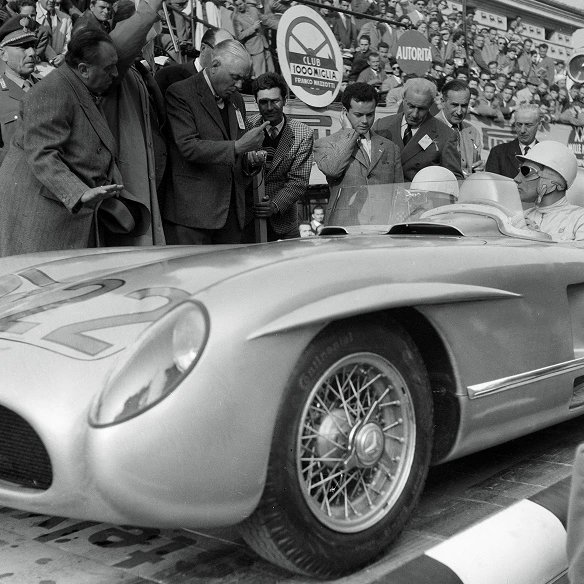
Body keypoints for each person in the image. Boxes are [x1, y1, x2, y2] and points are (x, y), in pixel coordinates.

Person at [0, 26, 154, 256]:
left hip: (67, 217)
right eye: (108, 68)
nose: (115, 74)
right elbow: (42, 154)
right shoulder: (52, 91)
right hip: (43, 223)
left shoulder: (76, 87)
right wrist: (79, 193)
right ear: (83, 69)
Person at [163, 40, 269, 245]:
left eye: (242, 79)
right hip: (193, 217)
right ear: (214, 66)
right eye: (235, 78)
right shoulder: (180, 93)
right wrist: (238, 147)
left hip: (231, 215)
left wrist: (249, 161)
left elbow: (235, 152)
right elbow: (188, 146)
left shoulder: (236, 100)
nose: (239, 85)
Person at [243, 71, 313, 241]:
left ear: (285, 100)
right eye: (263, 102)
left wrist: (275, 205)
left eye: (275, 101)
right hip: (247, 220)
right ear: (255, 102)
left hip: (284, 223)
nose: (269, 107)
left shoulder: (303, 133)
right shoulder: (245, 126)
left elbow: (298, 181)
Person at [314, 82, 403, 212]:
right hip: (345, 222)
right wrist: (348, 132)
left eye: (370, 114)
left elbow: (399, 192)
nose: (365, 121)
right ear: (345, 113)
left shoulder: (390, 148)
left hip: (383, 221)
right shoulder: (326, 143)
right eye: (358, 115)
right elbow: (332, 170)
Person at [372, 77, 463, 181]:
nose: (415, 114)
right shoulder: (382, 126)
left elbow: (454, 179)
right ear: (403, 99)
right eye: (411, 106)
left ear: (430, 105)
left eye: (421, 109)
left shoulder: (445, 135)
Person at [514, 141, 584, 241]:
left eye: (526, 171)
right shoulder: (520, 219)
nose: (516, 179)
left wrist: (540, 240)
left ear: (558, 183)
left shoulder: (579, 220)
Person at [0, 16, 41, 164]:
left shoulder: (47, 87)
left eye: (33, 46)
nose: (32, 53)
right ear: (3, 54)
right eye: (23, 47)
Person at [154, 27, 233, 97]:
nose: (227, 60)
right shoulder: (169, 77)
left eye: (232, 56)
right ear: (203, 48)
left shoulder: (232, 87)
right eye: (222, 52)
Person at [435, 80, 483, 177]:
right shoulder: (429, 129)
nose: (459, 112)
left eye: (464, 106)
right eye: (455, 105)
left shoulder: (473, 132)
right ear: (443, 102)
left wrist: (479, 169)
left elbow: (477, 163)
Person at [485, 104, 540, 179]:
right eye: (519, 124)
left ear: (539, 125)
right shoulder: (498, 153)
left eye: (528, 125)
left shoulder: (547, 154)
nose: (522, 130)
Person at [232, 0, 273, 77]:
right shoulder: (237, 18)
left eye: (240, 4)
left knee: (272, 72)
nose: (239, 7)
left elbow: (266, 21)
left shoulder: (253, 10)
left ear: (245, 2)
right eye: (237, 5)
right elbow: (239, 36)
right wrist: (253, 28)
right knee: (260, 75)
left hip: (264, 45)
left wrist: (280, 25)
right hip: (254, 49)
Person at [35, 0, 72, 67]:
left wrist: (63, 55)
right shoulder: (32, 14)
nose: (52, 0)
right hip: (37, 65)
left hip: (59, 65)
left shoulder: (66, 19)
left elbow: (69, 41)